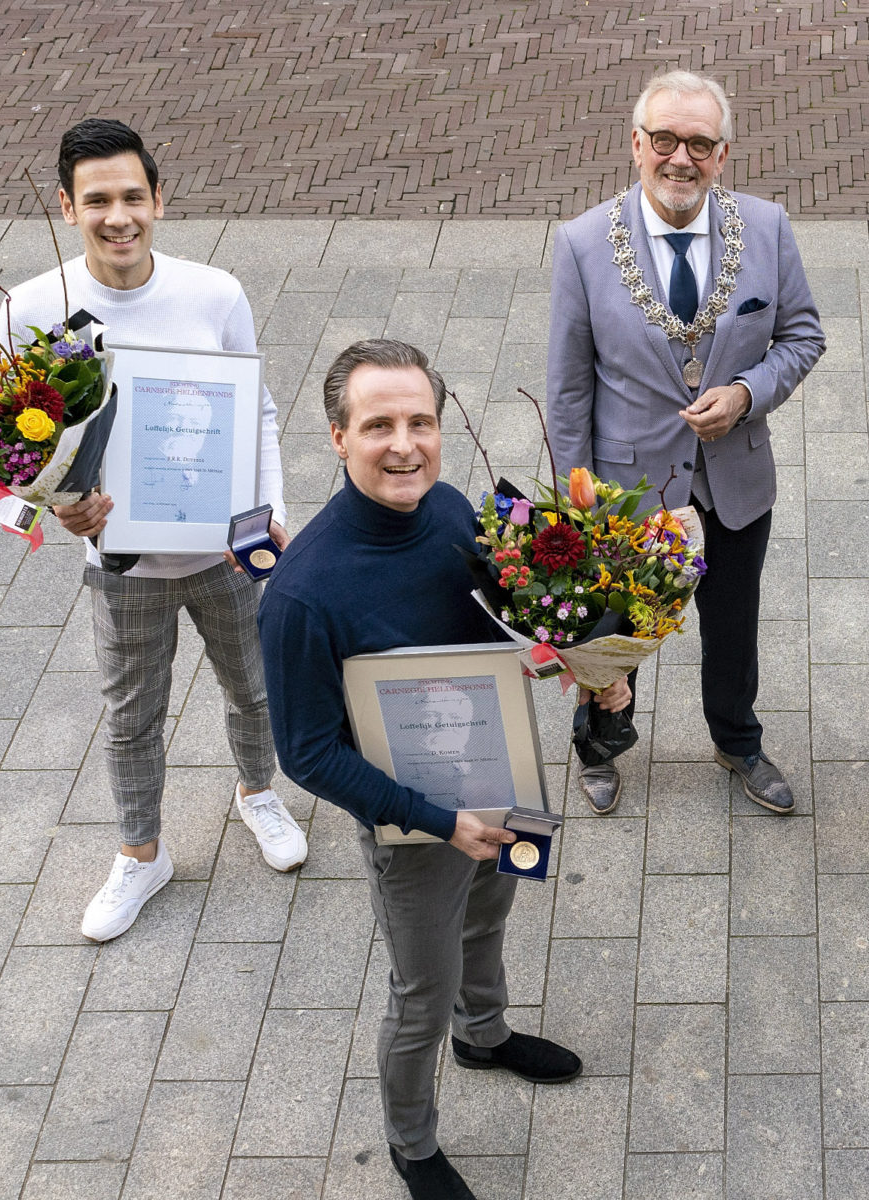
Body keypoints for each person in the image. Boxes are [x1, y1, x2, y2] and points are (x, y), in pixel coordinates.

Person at [260, 339, 623, 1200]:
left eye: (419, 421)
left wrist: (578, 663)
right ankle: (412, 1144)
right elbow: (306, 753)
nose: (403, 444)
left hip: (502, 774)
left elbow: (502, 625)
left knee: (491, 917)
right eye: (378, 424)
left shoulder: (457, 508)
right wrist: (438, 822)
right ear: (337, 438)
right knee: (420, 992)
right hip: (414, 822)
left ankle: (485, 1034)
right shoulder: (303, 593)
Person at [0, 117, 302, 943]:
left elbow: (259, 408)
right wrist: (55, 511)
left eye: (133, 195)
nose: (118, 215)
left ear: (159, 200)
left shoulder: (215, 292)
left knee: (254, 689)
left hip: (226, 547)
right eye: (97, 199)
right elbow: (6, 464)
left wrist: (273, 511)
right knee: (131, 714)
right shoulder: (32, 308)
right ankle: (142, 853)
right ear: (67, 206)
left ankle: (257, 794)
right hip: (120, 561)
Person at [548, 69, 824, 816]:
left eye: (699, 143)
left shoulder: (765, 229)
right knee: (612, 630)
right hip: (629, 487)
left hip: (734, 481)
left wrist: (746, 393)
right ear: (636, 145)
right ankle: (599, 741)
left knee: (733, 626)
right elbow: (569, 389)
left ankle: (736, 741)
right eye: (664, 139)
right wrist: (577, 506)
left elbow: (802, 335)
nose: (680, 158)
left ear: (722, 155)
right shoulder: (580, 245)